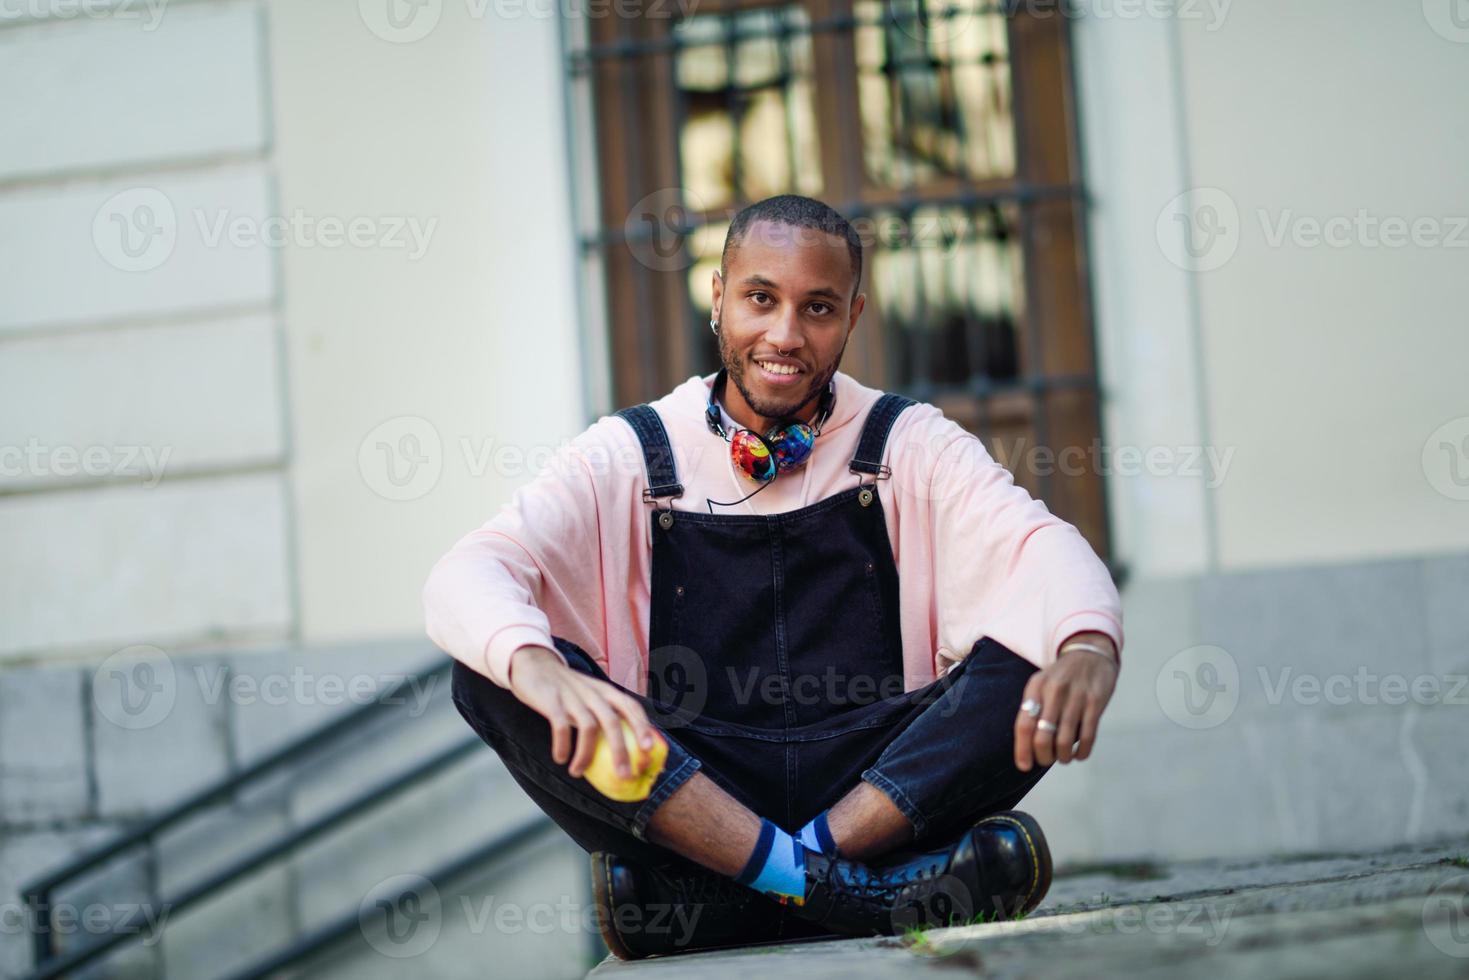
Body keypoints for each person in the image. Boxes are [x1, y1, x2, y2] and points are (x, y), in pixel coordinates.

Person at [424, 195, 1123, 959]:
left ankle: (752, 892)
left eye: (816, 308)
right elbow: (469, 570)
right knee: (487, 674)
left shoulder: (906, 439)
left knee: (1037, 656)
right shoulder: (632, 449)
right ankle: (850, 891)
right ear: (718, 297)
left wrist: (1087, 644)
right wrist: (535, 666)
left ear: (853, 316)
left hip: (874, 779)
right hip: (697, 784)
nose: (784, 335)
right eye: (761, 298)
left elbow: (1041, 547)